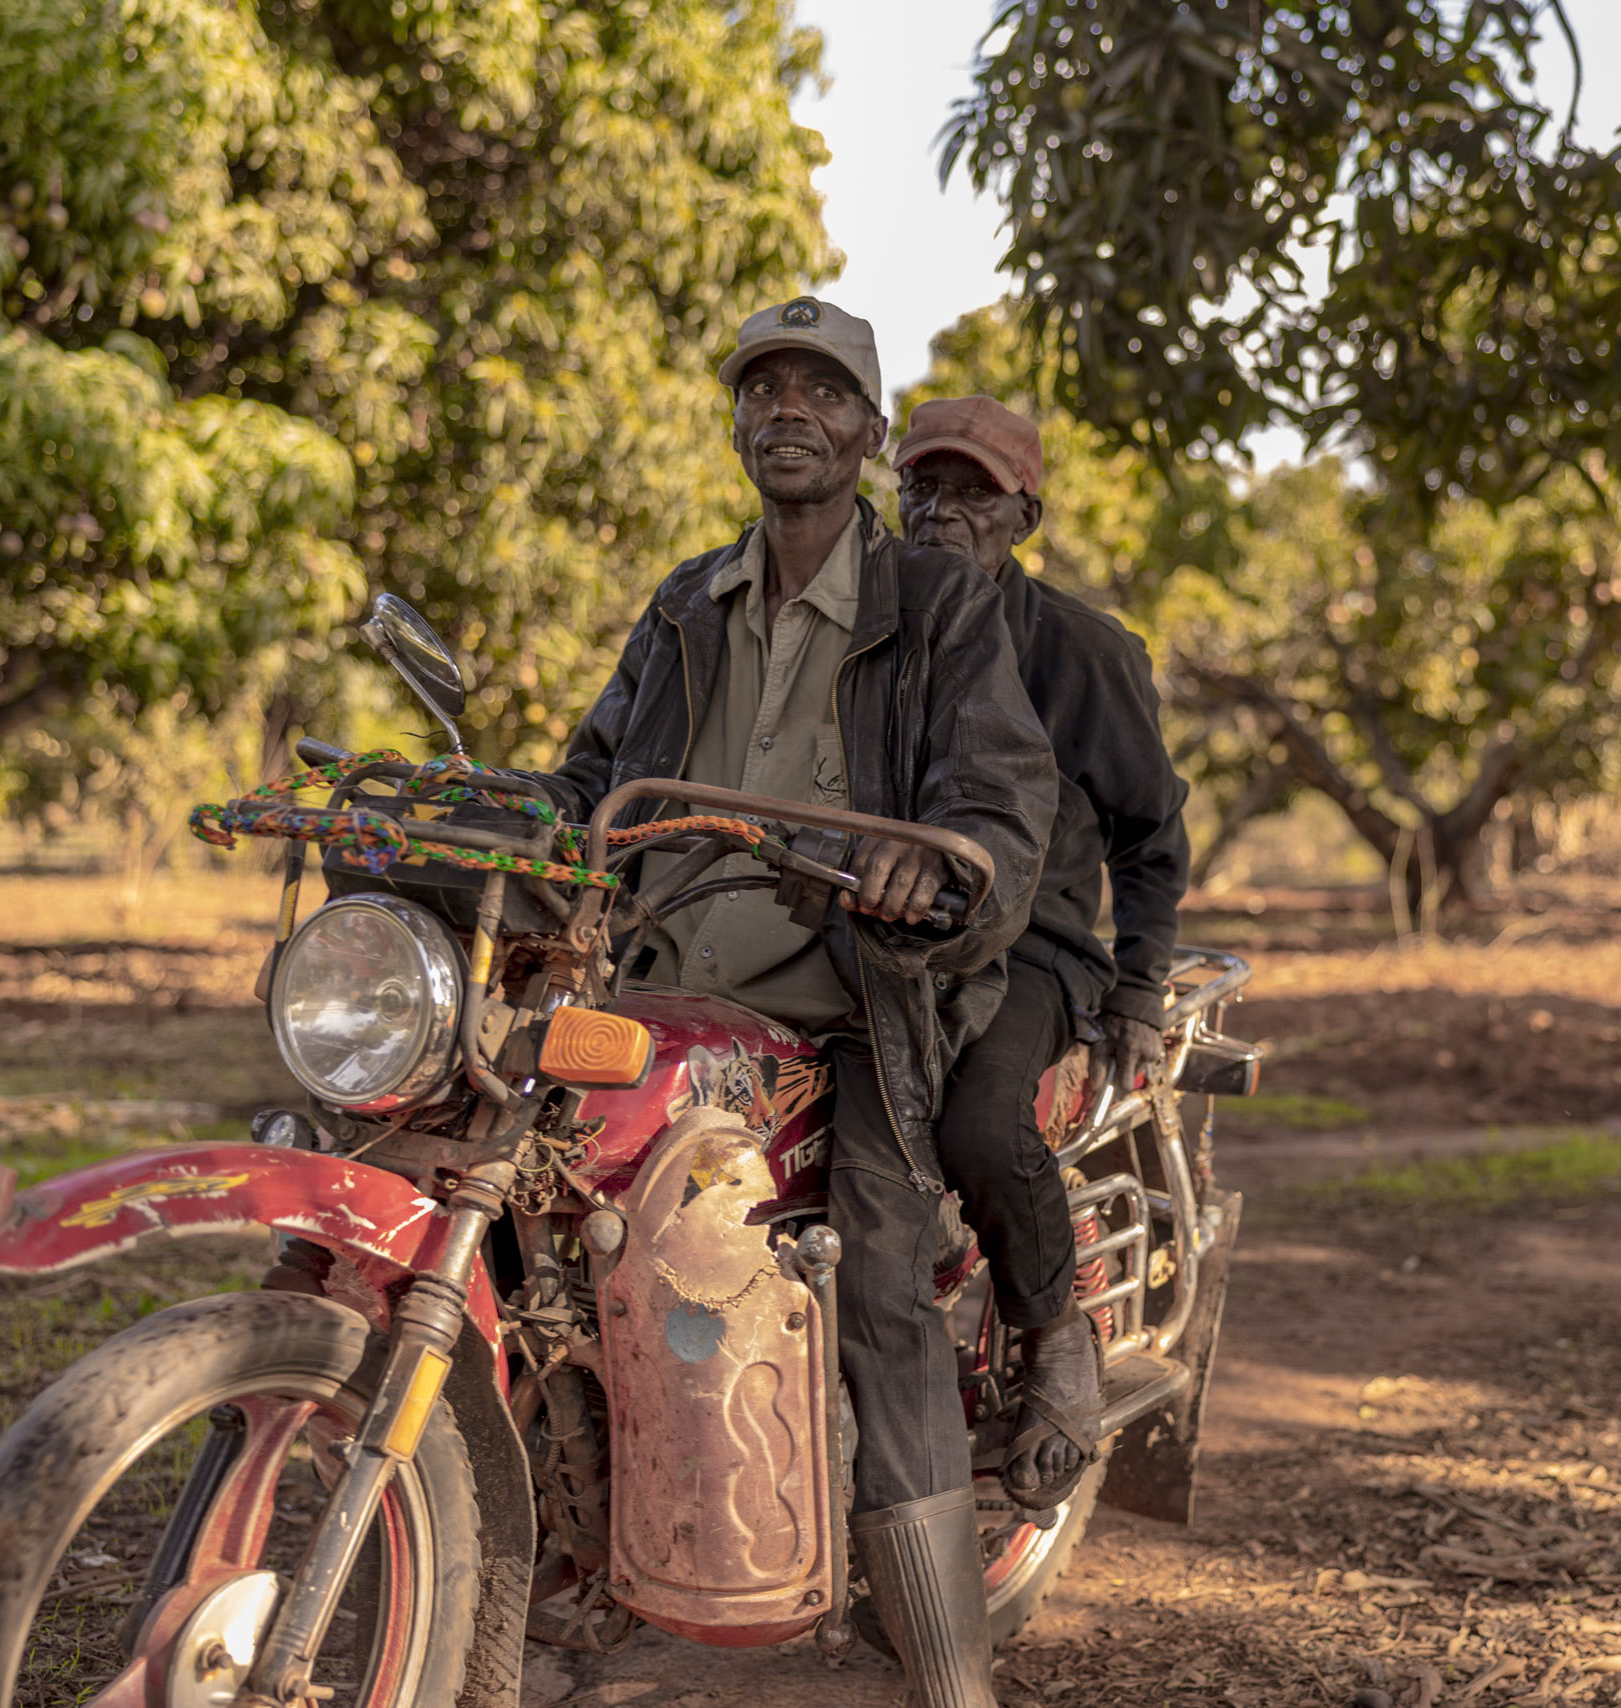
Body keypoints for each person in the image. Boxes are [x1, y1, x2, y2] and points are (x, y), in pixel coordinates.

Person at [537, 301, 1055, 1708]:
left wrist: (928, 862)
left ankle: (949, 1669)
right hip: (657, 989)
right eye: (764, 386)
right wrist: (499, 816)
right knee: (526, 1215)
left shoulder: (939, 605)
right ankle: (576, 1567)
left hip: (856, 1000)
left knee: (883, 1284)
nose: (790, 409)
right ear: (739, 422)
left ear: (869, 435)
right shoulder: (683, 602)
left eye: (823, 391)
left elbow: (1003, 807)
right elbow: (591, 780)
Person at [893, 396, 1191, 1512]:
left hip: (1033, 951)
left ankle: (1054, 1331)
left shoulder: (1080, 650)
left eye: (972, 491)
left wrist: (1139, 987)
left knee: (977, 1122)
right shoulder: (858, 625)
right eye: (922, 484)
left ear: (1024, 512)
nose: (940, 511)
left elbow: (1151, 831)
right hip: (884, 942)